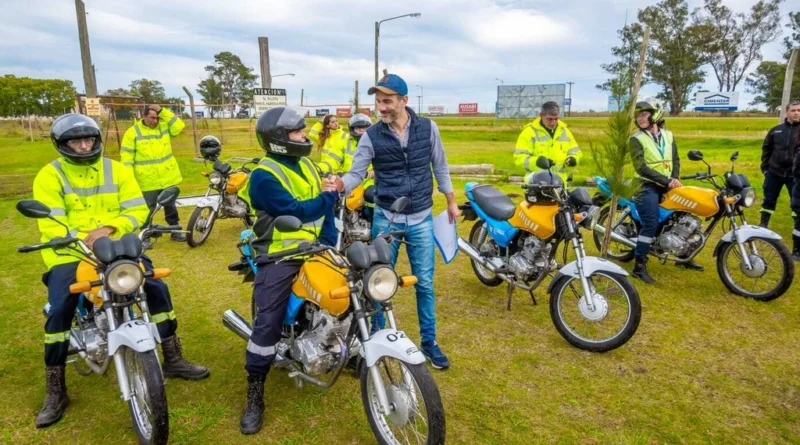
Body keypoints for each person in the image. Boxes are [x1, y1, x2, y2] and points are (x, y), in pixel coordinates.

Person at [31, 114, 208, 429]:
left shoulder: (118, 170)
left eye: (89, 139)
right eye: (76, 141)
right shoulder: (50, 175)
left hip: (118, 248)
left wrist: (109, 229)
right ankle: (55, 389)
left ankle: (172, 357)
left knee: (156, 288)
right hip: (70, 252)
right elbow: (51, 222)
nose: (84, 146)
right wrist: (82, 238)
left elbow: (137, 209)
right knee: (59, 309)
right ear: (62, 144)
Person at [331, 73, 460, 370]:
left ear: (404, 100)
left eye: (387, 101)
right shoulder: (371, 136)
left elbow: (440, 166)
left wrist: (451, 201)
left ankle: (429, 342)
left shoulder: (428, 128)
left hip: (421, 218)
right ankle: (376, 339)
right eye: (378, 101)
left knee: (424, 283)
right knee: (377, 280)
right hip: (386, 219)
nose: (381, 107)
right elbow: (356, 173)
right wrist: (340, 184)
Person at [235, 106, 339, 435]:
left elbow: (323, 212)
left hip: (316, 247)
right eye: (298, 132)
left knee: (351, 289)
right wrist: (329, 197)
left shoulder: (306, 164)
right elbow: (297, 210)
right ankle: (255, 389)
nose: (305, 136)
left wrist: (328, 242)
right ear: (279, 139)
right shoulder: (263, 176)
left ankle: (346, 350)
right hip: (279, 253)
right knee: (267, 321)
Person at [629, 101, 702, 283]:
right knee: (650, 222)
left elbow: (675, 159)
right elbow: (640, 167)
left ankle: (683, 256)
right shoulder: (636, 139)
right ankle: (639, 266)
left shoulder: (668, 135)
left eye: (644, 114)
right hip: (645, 184)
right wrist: (667, 181)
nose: (640, 118)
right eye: (638, 115)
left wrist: (674, 179)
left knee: (684, 214)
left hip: (667, 183)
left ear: (656, 115)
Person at [120, 104, 186, 242]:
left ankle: (175, 231)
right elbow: (127, 157)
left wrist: (162, 111)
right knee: (147, 209)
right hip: (146, 180)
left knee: (170, 206)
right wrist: (128, 178)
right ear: (143, 116)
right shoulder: (132, 132)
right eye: (152, 118)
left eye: (157, 118)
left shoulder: (164, 127)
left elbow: (179, 125)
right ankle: (145, 235)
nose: (155, 121)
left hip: (167, 177)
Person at [514, 101, 581, 183]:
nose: (553, 123)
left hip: (560, 183)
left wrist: (573, 159)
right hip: (537, 183)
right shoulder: (529, 133)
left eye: (556, 119)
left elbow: (576, 152)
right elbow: (519, 158)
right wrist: (536, 162)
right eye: (549, 119)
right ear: (541, 115)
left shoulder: (565, 132)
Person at [760, 101, 800, 228]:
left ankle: (797, 227)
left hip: (795, 175)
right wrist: (765, 168)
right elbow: (766, 149)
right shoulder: (776, 130)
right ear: (787, 112)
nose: (796, 113)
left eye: (799, 110)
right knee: (768, 199)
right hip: (774, 172)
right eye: (793, 110)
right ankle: (763, 224)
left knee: (797, 202)